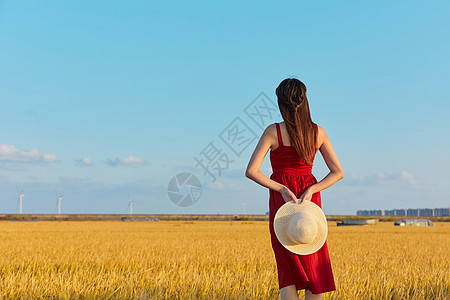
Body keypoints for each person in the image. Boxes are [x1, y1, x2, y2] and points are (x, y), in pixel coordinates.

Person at [245, 78, 344, 300]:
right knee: (313, 258)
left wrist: (281, 189)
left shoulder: (273, 131)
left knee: (286, 261)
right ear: (305, 101)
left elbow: (251, 171)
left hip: (284, 200)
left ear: (280, 103)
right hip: (309, 198)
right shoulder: (318, 132)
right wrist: (311, 190)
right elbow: (338, 172)